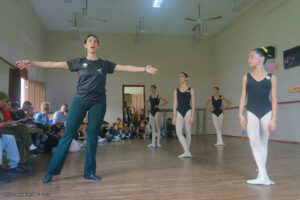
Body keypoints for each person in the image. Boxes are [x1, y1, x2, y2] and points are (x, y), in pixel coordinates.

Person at [17, 34, 157, 183]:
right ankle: (51, 172)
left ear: (98, 46)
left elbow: (124, 67)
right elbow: (56, 64)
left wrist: (144, 68)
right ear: (85, 45)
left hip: (99, 102)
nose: (93, 43)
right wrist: (32, 62)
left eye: (95, 41)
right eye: (90, 41)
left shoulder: (104, 64)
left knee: (92, 137)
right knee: (68, 134)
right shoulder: (79, 62)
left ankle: (89, 172)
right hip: (80, 100)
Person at [239, 47, 277, 186]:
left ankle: (262, 175)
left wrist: (274, 118)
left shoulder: (271, 77)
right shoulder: (246, 77)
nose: (249, 60)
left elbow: (274, 98)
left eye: (252, 57)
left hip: (267, 111)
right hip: (252, 111)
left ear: (261, 59)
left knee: (263, 143)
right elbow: (243, 96)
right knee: (253, 142)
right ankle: (263, 176)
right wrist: (240, 113)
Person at [172, 72, 195, 158]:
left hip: (188, 111)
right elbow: (175, 104)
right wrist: (174, 116)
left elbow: (193, 104)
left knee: (188, 132)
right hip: (179, 112)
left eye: (182, 76)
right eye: (179, 77)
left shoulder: (191, 89)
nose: (180, 78)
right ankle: (187, 151)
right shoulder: (176, 90)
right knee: (178, 132)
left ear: (186, 78)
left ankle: (186, 152)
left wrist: (192, 116)